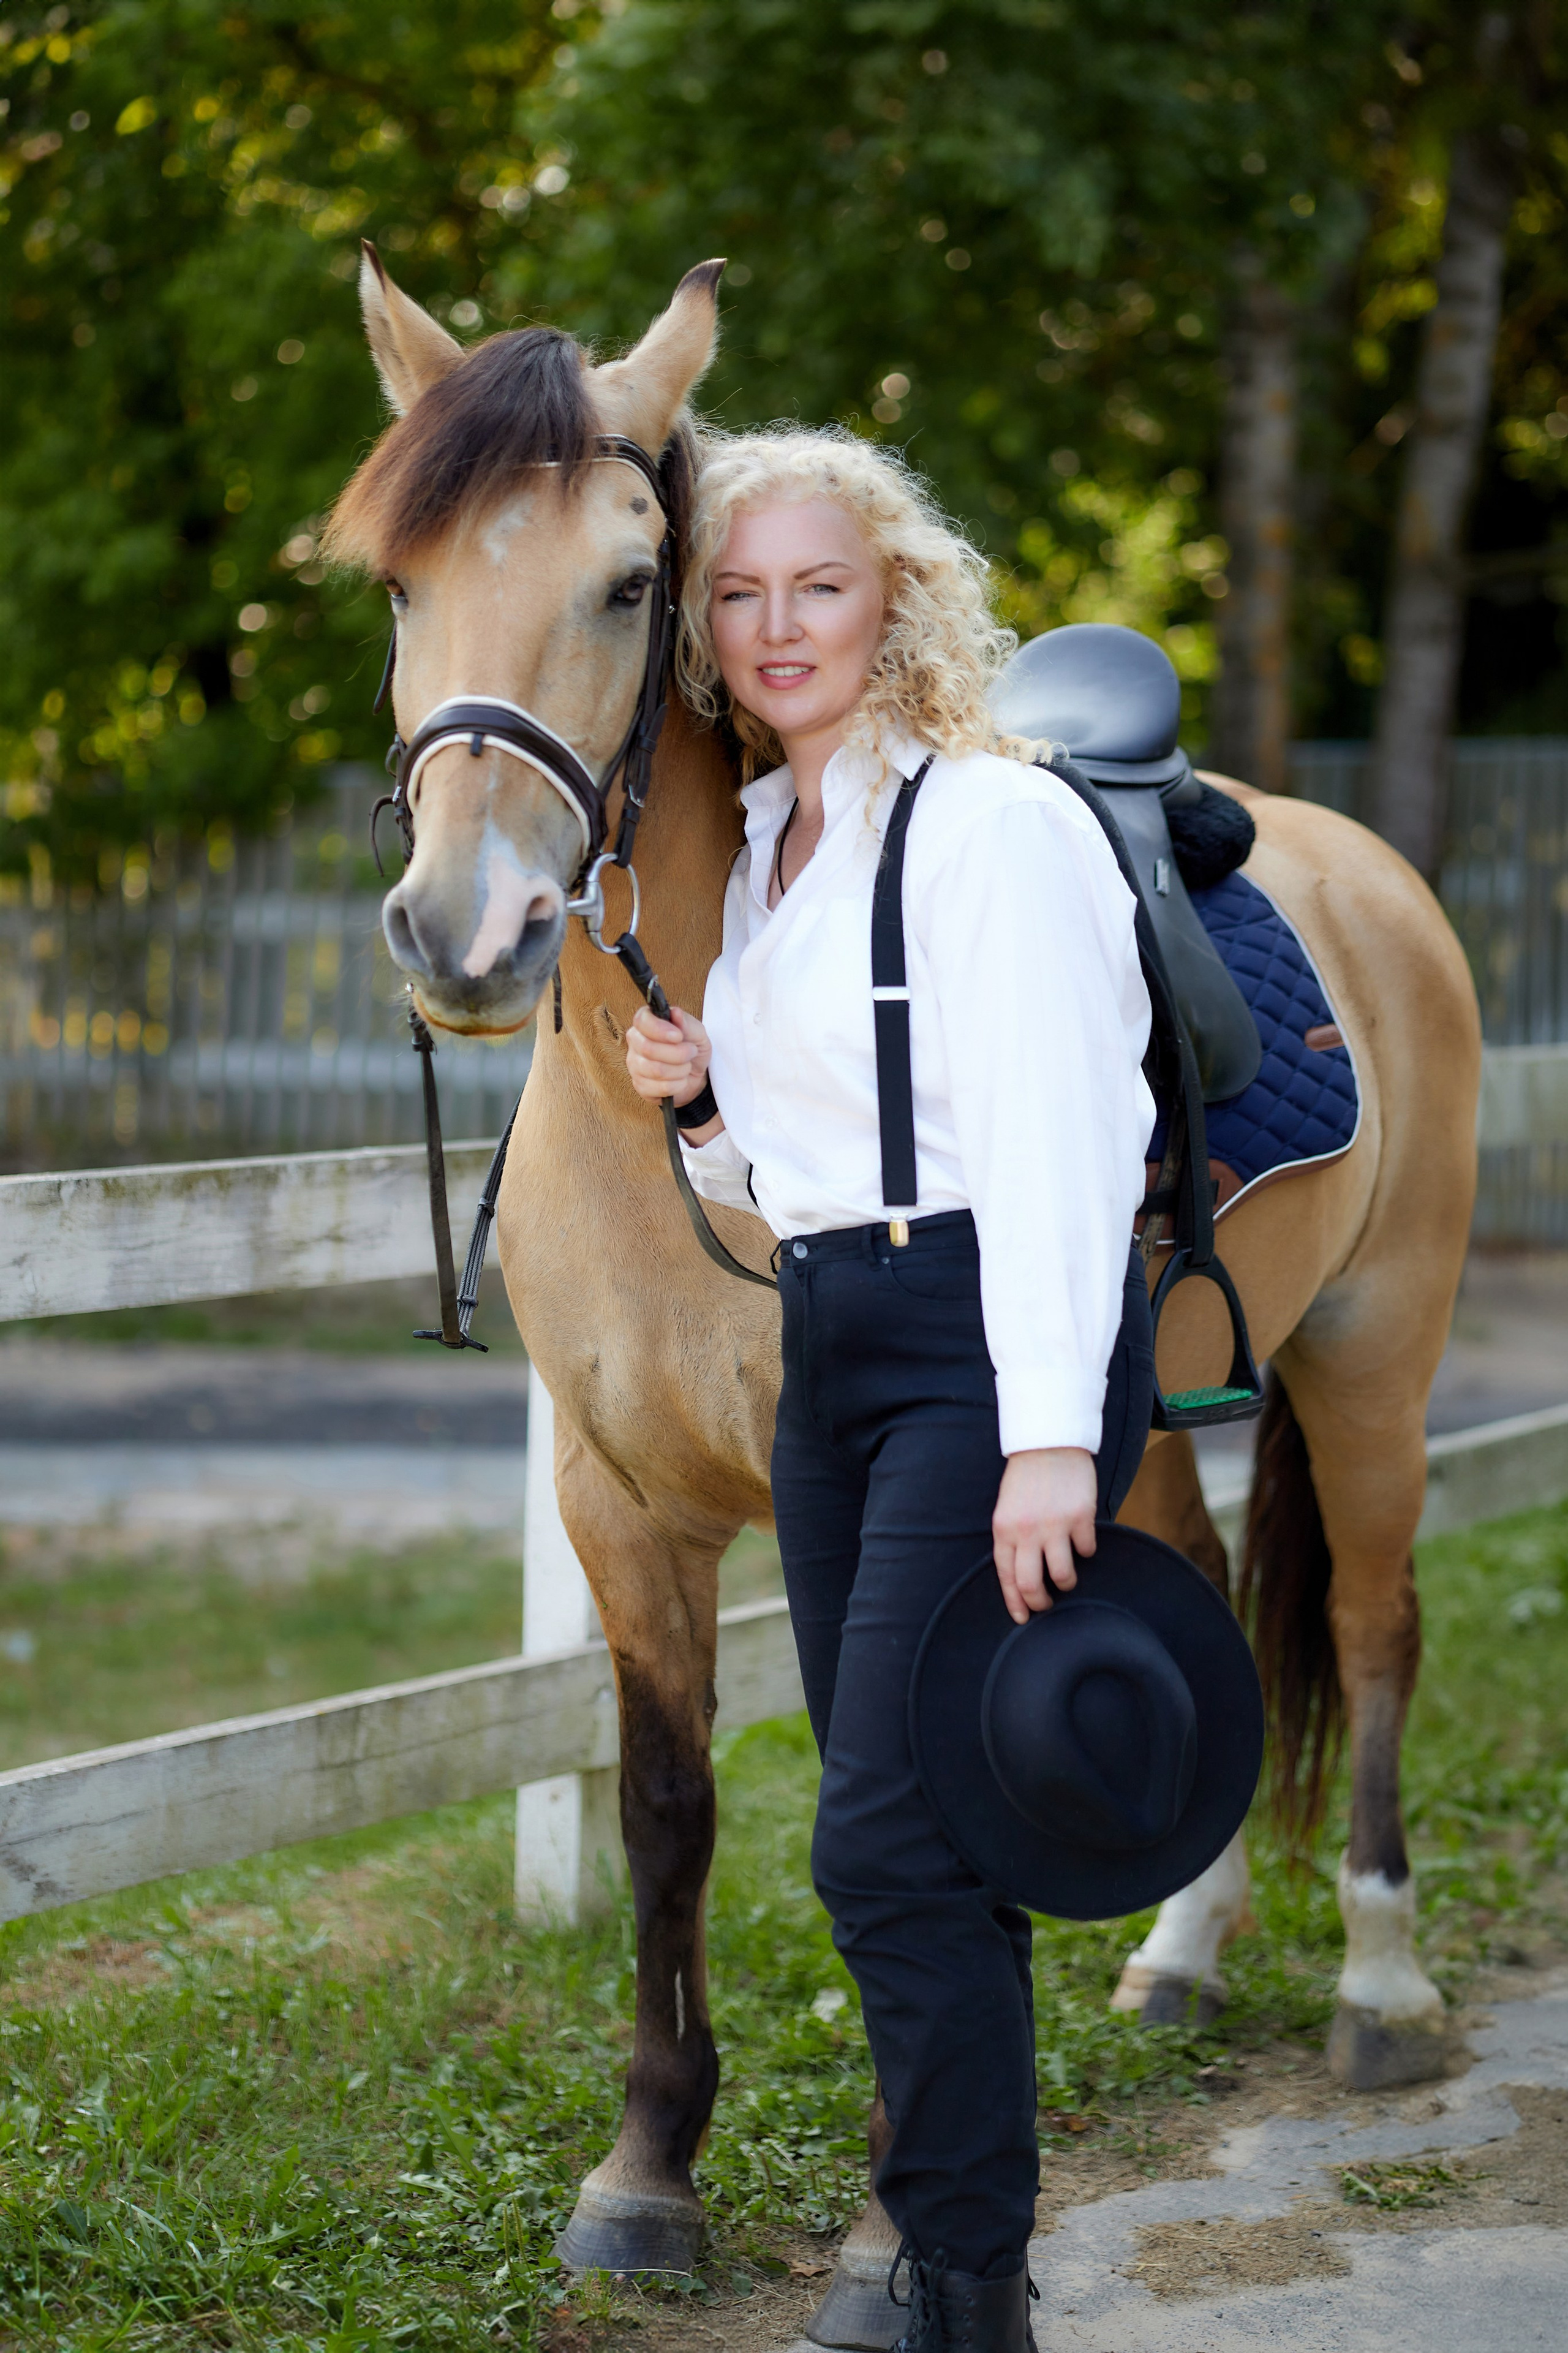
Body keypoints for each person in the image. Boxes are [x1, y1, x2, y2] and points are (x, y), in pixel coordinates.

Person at [623, 428, 1155, 2353]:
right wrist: (703, 1109)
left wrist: (1044, 1438)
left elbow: (1066, 1144)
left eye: (818, 585)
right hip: (835, 1338)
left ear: (897, 597)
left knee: (875, 1841)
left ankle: (957, 2289)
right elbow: (802, 1177)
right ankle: (970, 2266)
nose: (778, 627)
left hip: (982, 1350)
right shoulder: (766, 847)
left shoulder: (993, 825)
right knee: (934, 1820)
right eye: (741, 594)